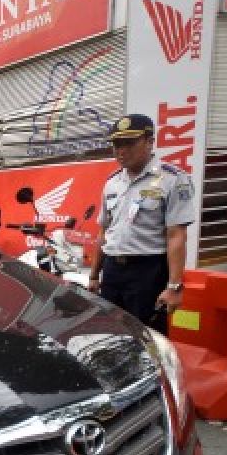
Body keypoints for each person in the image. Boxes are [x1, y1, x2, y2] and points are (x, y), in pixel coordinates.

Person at [87, 113, 195, 331]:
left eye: (129, 143)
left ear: (149, 141)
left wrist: (174, 286)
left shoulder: (173, 179)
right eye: (116, 144)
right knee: (110, 333)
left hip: (147, 272)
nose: (121, 150)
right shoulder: (112, 182)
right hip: (112, 271)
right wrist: (94, 275)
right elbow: (103, 232)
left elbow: (176, 236)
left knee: (147, 336)